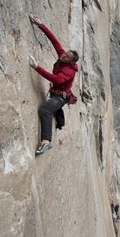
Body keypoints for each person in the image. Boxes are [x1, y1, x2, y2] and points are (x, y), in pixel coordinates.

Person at [28, 13, 79, 156]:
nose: (63, 55)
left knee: (45, 111)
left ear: (71, 62)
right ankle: (59, 118)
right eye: (65, 54)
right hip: (56, 92)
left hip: (61, 96)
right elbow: (54, 41)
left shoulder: (69, 71)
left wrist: (36, 67)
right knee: (53, 108)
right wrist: (40, 24)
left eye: (67, 56)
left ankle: (46, 143)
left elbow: (56, 79)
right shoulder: (63, 57)